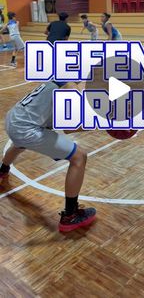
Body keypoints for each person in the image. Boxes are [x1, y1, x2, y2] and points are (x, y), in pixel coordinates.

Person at [0, 80, 96, 232]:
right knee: (79, 157)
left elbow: (69, 128)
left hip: (13, 119)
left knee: (19, 144)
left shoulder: (57, 80)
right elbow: (72, 127)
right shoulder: (70, 88)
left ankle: (2, 170)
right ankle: (70, 216)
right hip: (25, 129)